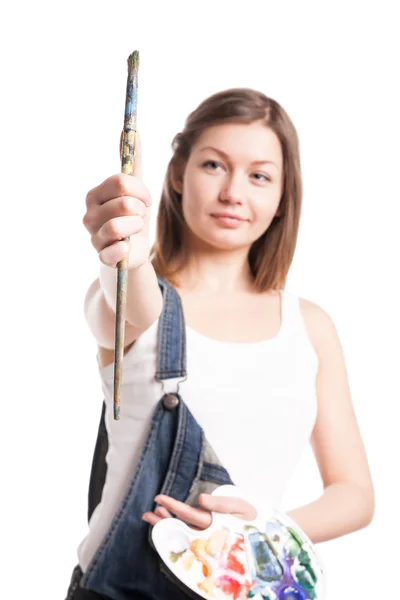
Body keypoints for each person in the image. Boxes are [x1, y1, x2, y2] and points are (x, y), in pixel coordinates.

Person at [66, 88, 374, 600]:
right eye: (214, 165)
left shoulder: (309, 325)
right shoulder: (131, 300)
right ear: (177, 177)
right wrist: (129, 249)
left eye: (259, 175)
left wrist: (259, 527)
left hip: (245, 587)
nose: (234, 191)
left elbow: (355, 494)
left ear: (281, 198)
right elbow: (133, 297)